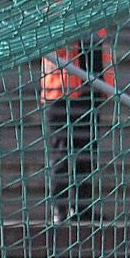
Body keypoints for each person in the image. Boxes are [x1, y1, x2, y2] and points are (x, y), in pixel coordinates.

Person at [41, 29, 114, 223]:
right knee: (62, 154)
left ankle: (83, 208)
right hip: (62, 92)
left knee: (87, 154)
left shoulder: (98, 11)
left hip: (90, 91)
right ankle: (61, 209)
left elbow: (102, 50)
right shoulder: (55, 7)